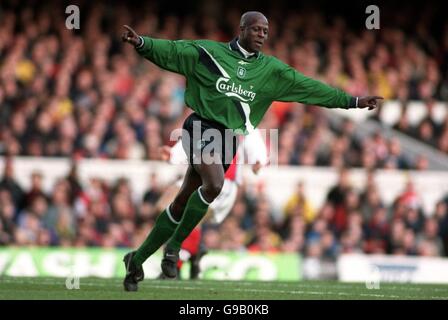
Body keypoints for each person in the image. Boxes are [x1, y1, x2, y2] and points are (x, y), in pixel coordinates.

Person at [121, 11, 382, 291]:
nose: (261, 35)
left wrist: (352, 101)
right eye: (256, 30)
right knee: (215, 185)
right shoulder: (210, 52)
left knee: (182, 200)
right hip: (200, 127)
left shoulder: (270, 71)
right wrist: (143, 43)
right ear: (242, 29)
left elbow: (310, 87)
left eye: (265, 32)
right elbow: (174, 51)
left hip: (229, 138)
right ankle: (173, 248)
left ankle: (135, 261)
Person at [156, 128, 268, 279]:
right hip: (197, 176)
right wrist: (173, 154)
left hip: (223, 182)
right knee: (163, 207)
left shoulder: (240, 117)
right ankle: (195, 251)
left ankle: (174, 267)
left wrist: (258, 159)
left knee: (192, 214)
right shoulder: (207, 114)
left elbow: (252, 136)